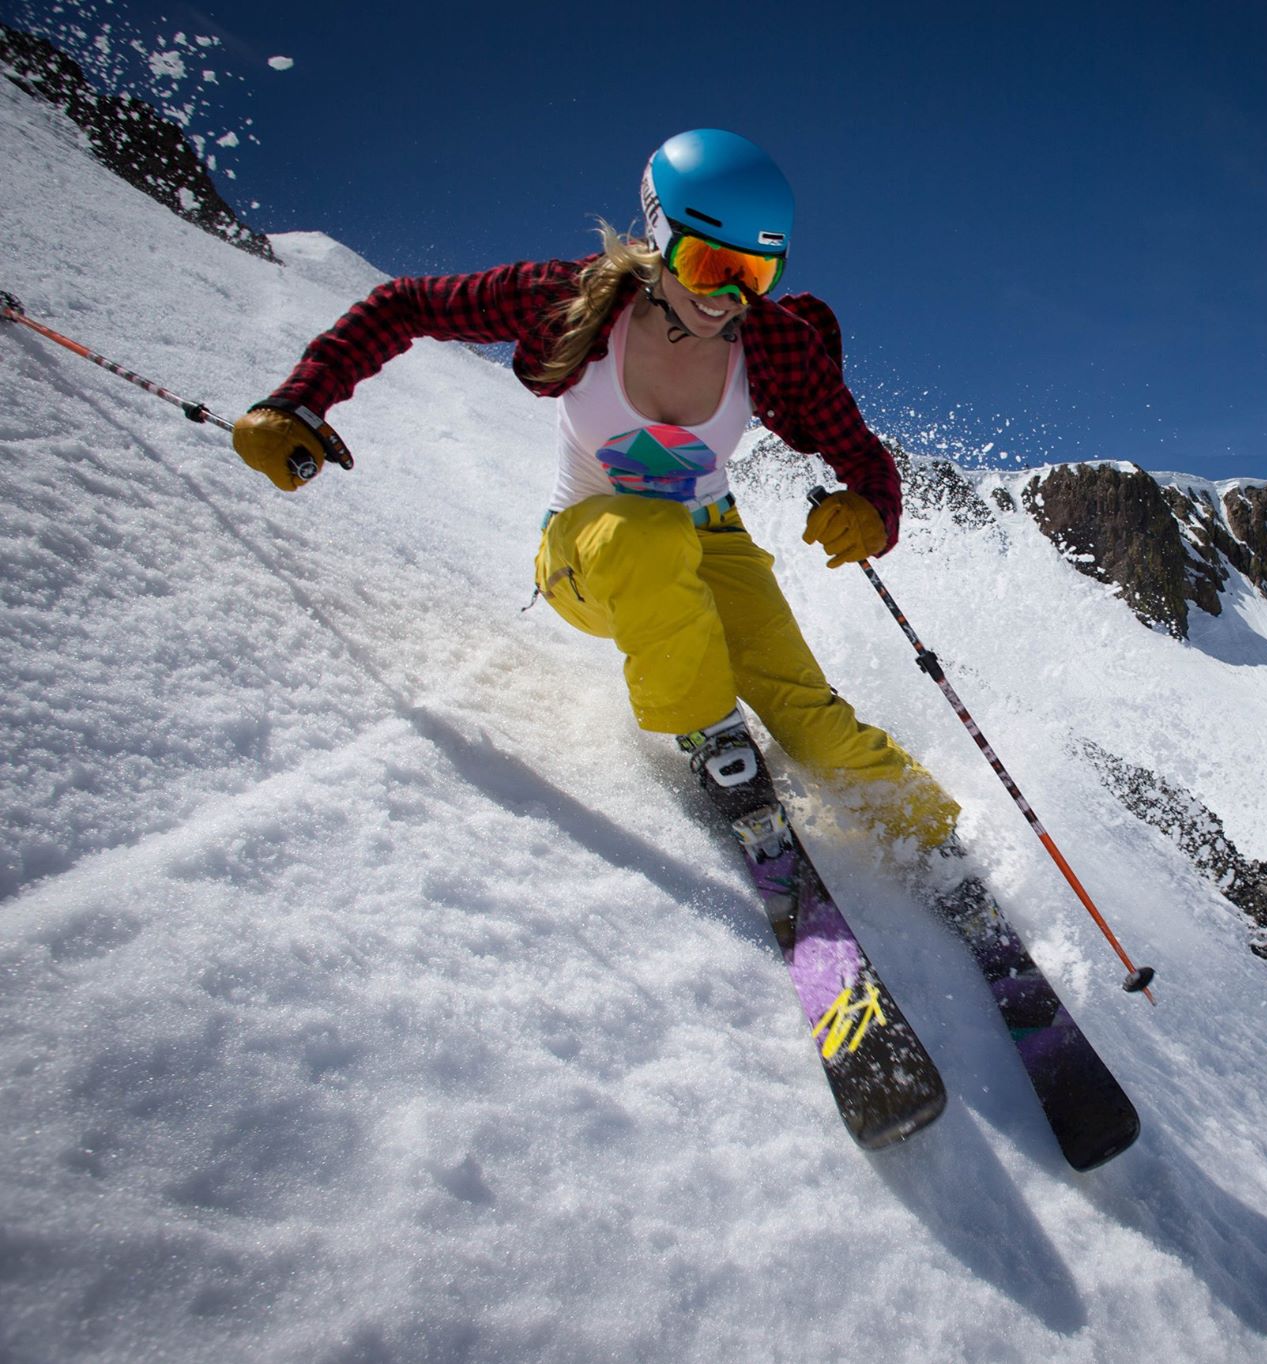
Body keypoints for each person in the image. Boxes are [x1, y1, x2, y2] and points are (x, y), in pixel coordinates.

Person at [232, 128, 959, 852]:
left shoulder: (775, 343)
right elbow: (404, 305)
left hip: (714, 538)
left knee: (811, 716)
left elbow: (863, 457)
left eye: (755, 274)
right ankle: (711, 735)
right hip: (587, 553)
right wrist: (299, 401)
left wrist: (872, 510)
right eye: (707, 264)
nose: (727, 297)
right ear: (659, 235)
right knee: (650, 537)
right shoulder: (572, 300)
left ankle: (933, 837)